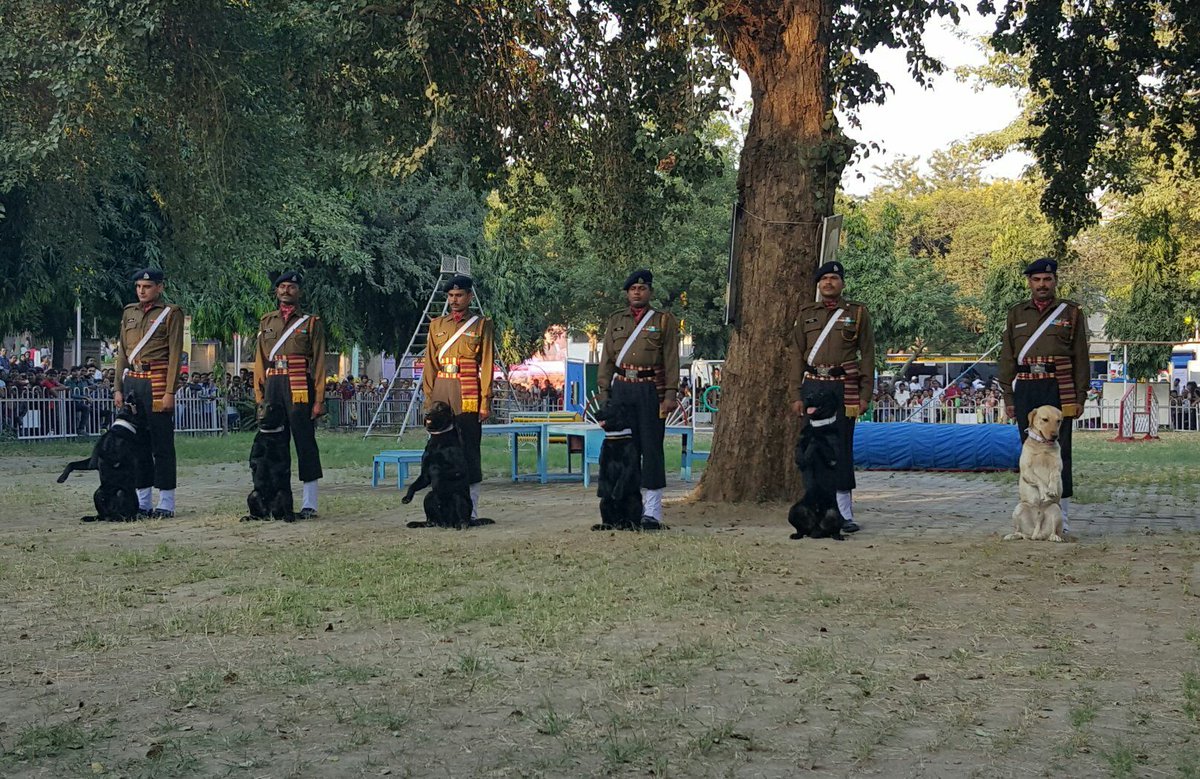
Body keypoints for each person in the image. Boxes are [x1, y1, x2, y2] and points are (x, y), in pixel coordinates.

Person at [999, 257, 1089, 533]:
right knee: (1029, 449)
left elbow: (1081, 358)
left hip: (1058, 384)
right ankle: (1030, 508)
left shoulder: (1071, 313)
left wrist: (1080, 396)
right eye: (1036, 280)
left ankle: (1061, 513)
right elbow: (1007, 357)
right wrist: (1008, 397)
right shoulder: (1016, 313)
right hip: (1027, 386)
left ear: (1055, 282)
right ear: (1029, 282)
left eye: (1047, 280)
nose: (1042, 285)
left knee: (1060, 450)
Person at [787, 260, 875, 533]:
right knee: (812, 450)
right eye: (824, 279)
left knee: (841, 449)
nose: (828, 283)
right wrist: (796, 393)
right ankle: (815, 510)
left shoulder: (858, 314)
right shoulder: (805, 314)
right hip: (813, 385)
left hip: (842, 387)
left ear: (842, 283)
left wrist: (864, 394)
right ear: (818, 284)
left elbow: (868, 355)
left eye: (834, 279)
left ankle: (844, 513)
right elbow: (795, 356)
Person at [596, 269, 680, 530]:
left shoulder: (664, 321)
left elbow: (671, 360)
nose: (637, 292)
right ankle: (626, 509)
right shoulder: (615, 321)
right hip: (621, 389)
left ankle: (652, 512)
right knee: (622, 450)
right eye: (633, 288)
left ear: (650, 292)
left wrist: (670, 394)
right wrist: (604, 394)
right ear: (627, 292)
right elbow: (607, 359)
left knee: (652, 449)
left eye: (642, 288)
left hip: (649, 390)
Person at [422, 274, 496, 523]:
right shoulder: (436, 325)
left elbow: (486, 365)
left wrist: (486, 400)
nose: (454, 300)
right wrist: (429, 399)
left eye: (459, 295)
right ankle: (441, 506)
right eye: (451, 296)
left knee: (469, 449)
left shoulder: (481, 325)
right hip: (442, 388)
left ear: (469, 297)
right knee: (439, 448)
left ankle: (470, 509)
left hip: (468, 391)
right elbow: (430, 365)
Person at [253, 271, 327, 518]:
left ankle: (310, 502)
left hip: (300, 388)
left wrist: (318, 399)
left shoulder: (311, 323)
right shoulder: (266, 322)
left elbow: (318, 363)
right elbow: (260, 361)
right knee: (274, 444)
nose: (286, 291)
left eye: (291, 287)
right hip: (273, 384)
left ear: (299, 292)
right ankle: (276, 499)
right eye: (282, 287)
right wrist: (259, 397)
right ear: (276, 291)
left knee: (305, 443)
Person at [113, 268, 185, 517]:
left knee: (161, 444)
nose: (142, 291)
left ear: (159, 287)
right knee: (137, 444)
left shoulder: (170, 313)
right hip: (133, 381)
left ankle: (166, 501)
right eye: (138, 286)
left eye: (147, 286)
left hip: (157, 381)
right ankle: (143, 501)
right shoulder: (129, 312)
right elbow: (122, 352)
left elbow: (176, 353)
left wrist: (170, 391)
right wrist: (118, 387)